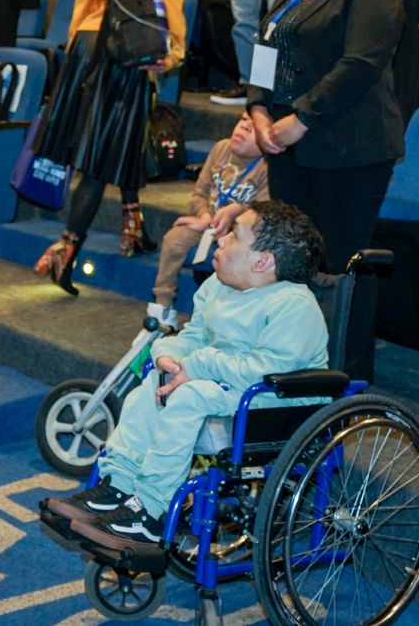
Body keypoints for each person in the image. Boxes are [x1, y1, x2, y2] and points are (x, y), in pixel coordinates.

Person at [46, 201, 326, 551]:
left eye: (234, 234)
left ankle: (151, 512)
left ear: (262, 261)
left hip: (275, 405)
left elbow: (267, 370)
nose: (220, 238)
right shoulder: (219, 286)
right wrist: (168, 356)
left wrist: (198, 366)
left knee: (189, 396)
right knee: (154, 384)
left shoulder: (294, 306)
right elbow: (193, 335)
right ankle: (119, 485)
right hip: (225, 391)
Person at [244, 0, 404, 382]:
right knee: (293, 261)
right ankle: (299, 365)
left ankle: (349, 379)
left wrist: (302, 119)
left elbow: (360, 64)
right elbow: (266, 46)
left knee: (342, 265)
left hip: (348, 149)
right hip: (286, 144)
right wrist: (258, 107)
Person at [32, 0, 186, 293]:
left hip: (87, 46)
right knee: (101, 158)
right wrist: (173, 49)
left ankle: (133, 227)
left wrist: (75, 50)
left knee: (123, 139)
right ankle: (66, 251)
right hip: (126, 51)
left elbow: (83, 0)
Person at [151, 116, 270, 327]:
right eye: (243, 120)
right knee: (174, 238)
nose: (243, 126)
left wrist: (237, 211)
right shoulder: (221, 149)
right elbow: (200, 192)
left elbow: (265, 210)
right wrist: (204, 215)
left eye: (253, 128)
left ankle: (223, 316)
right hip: (208, 226)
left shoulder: (266, 167)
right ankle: (162, 308)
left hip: (239, 236)